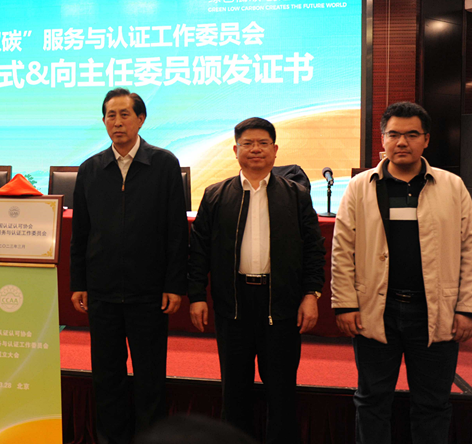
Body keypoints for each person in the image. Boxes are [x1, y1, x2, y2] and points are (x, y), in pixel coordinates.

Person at [331, 102, 472, 444]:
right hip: (376, 310)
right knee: (371, 400)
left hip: (435, 311)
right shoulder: (361, 186)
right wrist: (345, 304)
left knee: (433, 404)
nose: (402, 142)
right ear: (382, 139)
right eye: (393, 134)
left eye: (411, 134)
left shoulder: (452, 187)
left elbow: (468, 250)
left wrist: (466, 308)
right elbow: (342, 249)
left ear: (426, 139)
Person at [188, 117, 325, 444]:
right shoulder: (215, 195)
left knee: (282, 390)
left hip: (281, 305)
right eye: (247, 143)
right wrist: (196, 296)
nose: (255, 149)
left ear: (275, 150)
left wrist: (311, 294)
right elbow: (198, 250)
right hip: (233, 305)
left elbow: (314, 248)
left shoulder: (296, 195)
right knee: (234, 391)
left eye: (263, 143)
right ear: (235, 150)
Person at [70, 88, 189, 444]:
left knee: (150, 377)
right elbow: (81, 233)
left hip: (148, 292)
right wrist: (79, 282)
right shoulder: (91, 169)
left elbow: (176, 230)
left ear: (141, 119)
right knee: (107, 377)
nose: (117, 122)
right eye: (111, 115)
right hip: (102, 292)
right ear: (103, 121)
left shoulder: (164, 164)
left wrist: (174, 284)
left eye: (125, 114)